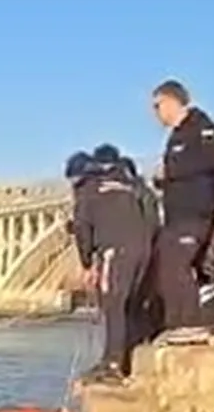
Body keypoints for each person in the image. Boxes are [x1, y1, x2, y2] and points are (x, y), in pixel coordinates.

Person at [68, 146, 159, 384]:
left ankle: (112, 364)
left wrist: (87, 264)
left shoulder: (87, 191)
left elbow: (81, 228)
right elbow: (150, 219)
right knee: (131, 304)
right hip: (143, 249)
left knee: (113, 305)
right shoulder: (129, 186)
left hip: (115, 251)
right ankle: (129, 357)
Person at [150, 79, 214, 343]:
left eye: (157, 105)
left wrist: (169, 172)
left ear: (172, 101)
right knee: (184, 264)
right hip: (179, 215)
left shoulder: (201, 128)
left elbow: (210, 162)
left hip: (195, 212)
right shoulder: (177, 135)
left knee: (173, 262)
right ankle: (204, 322)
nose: (155, 113)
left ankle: (187, 323)